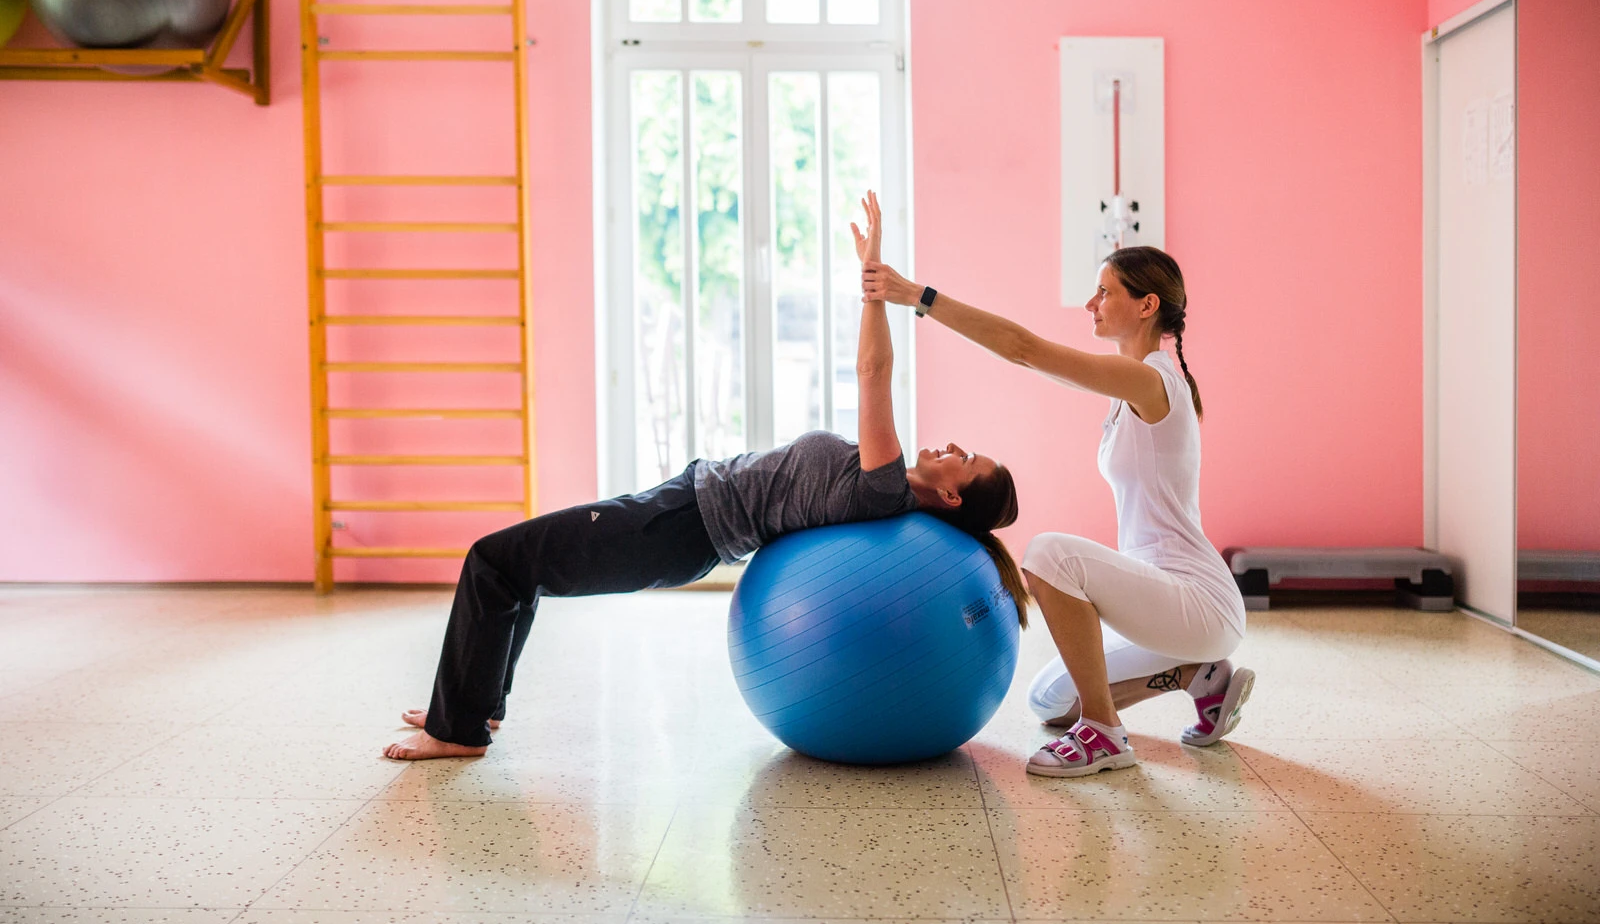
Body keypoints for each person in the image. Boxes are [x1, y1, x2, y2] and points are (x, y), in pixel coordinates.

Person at [384, 191, 1028, 760]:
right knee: (519, 567)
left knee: (496, 560)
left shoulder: (883, 485)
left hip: (680, 527)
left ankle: (459, 730)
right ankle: (474, 708)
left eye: (966, 459)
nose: (953, 447)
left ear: (951, 495)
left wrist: (875, 287)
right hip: (681, 511)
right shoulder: (885, 486)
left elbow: (872, 373)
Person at [861, 246, 1251, 778]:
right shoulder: (1128, 384)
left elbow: (1022, 349)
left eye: (1105, 292)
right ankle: (1199, 677)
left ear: (1147, 306)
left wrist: (916, 296)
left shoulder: (1152, 381)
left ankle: (1105, 734)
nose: (1091, 303)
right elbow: (1026, 356)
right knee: (1049, 700)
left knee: (1048, 554)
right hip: (1163, 600)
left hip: (1197, 598)